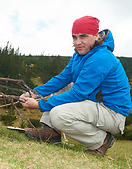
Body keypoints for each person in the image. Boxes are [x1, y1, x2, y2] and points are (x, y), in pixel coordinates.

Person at [19, 16, 131, 157]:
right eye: (74, 37)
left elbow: (78, 94)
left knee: (58, 114)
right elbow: (62, 79)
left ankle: (101, 141)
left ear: (95, 36)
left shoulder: (101, 57)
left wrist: (39, 105)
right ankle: (51, 132)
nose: (78, 42)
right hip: (94, 103)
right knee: (65, 85)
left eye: (83, 37)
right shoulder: (79, 55)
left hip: (112, 112)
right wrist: (34, 93)